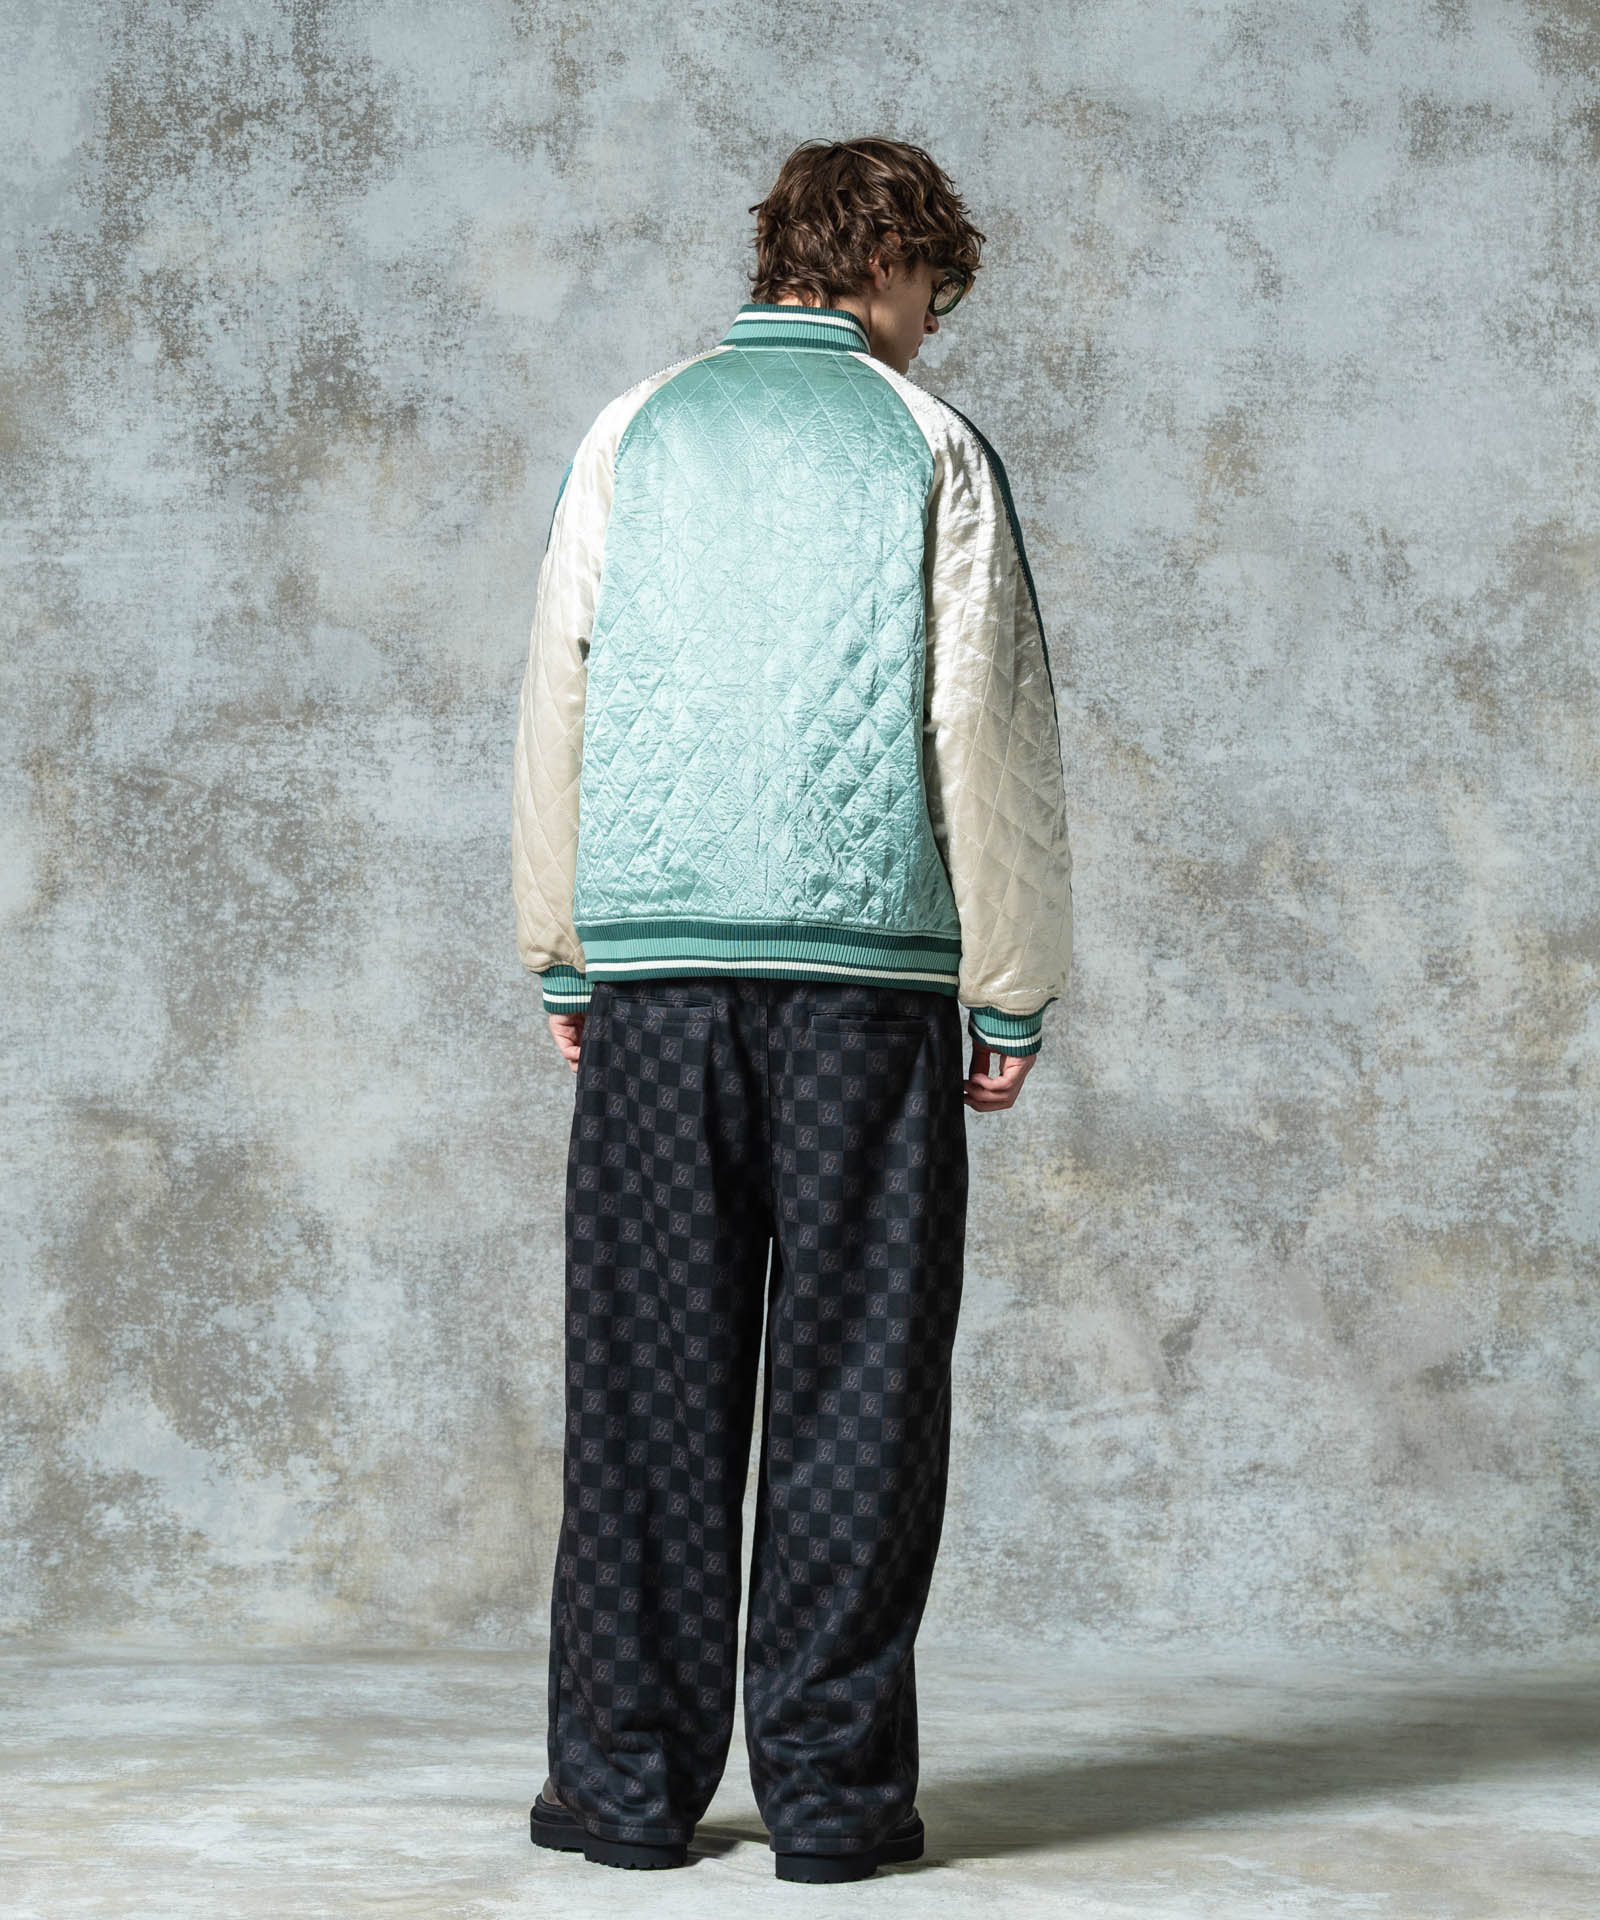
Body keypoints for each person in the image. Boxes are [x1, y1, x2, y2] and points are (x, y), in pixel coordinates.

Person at [512, 135, 1073, 1884]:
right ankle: (829, 1802)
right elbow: (990, 727)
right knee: (860, 1393)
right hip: (863, 998)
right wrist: (1010, 990)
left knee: (645, 1396)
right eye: (937, 291)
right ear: (890, 264)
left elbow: (558, 696)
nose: (934, 326)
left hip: (657, 993)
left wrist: (564, 949)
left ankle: (624, 1790)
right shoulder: (930, 445)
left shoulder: (634, 430)